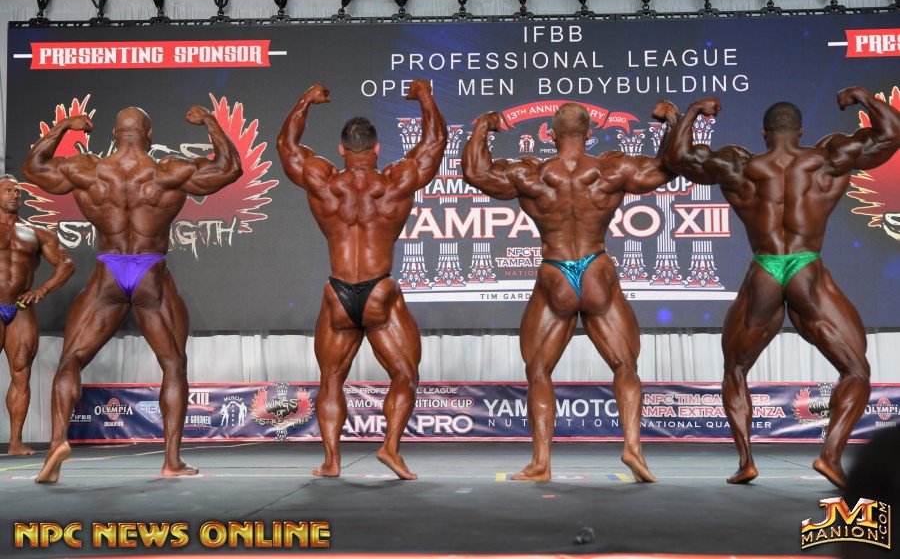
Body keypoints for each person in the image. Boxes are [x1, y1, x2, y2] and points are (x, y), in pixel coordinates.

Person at [658, 88, 900, 488]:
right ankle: (830, 456)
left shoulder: (739, 165)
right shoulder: (829, 159)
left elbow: (677, 158)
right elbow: (891, 134)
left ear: (764, 133)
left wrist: (694, 111)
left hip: (765, 268)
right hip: (806, 266)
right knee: (855, 369)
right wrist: (862, 97)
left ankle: (746, 463)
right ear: (800, 131)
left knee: (736, 369)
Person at [23, 104, 242, 483]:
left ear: (114, 135)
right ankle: (171, 460)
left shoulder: (88, 170)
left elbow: (33, 168)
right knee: (173, 364)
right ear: (149, 136)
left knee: (70, 361)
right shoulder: (168, 171)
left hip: (109, 270)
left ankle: (58, 442)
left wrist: (63, 127)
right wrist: (210, 122)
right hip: (150, 271)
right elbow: (229, 168)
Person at [461, 102, 677, 482]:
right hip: (595, 269)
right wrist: (673, 121)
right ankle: (633, 448)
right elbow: (667, 167)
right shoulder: (611, 168)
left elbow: (475, 173)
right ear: (590, 133)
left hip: (556, 272)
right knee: (626, 366)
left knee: (539, 370)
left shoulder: (532, 173)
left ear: (550, 133)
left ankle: (541, 463)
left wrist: (484, 126)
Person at [278, 81, 446, 480]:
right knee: (405, 375)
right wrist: (425, 97)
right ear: (377, 149)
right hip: (378, 293)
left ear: (341, 150)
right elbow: (435, 143)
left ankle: (331, 460)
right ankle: (390, 447)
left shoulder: (322, 181)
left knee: (331, 377)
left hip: (338, 294)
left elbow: (286, 145)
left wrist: (305, 100)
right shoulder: (395, 182)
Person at [0, 175, 74, 455]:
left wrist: (43, 289)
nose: (14, 195)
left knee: (21, 373)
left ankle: (15, 442)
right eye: (8, 190)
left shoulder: (36, 232)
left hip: (20, 308)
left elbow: (66, 263)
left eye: (17, 191)